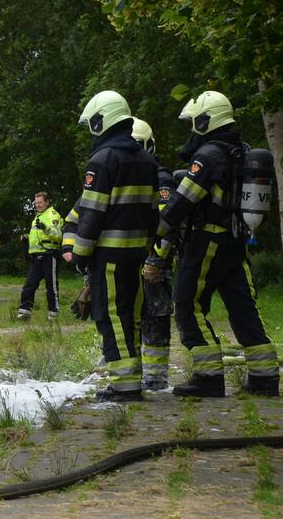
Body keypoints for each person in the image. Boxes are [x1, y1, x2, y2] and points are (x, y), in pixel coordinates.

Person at [146, 91, 279, 397]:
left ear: (206, 121)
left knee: (187, 305)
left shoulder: (208, 155)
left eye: (194, 123)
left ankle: (208, 377)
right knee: (243, 307)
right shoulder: (241, 150)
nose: (192, 129)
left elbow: (183, 200)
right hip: (236, 242)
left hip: (207, 241)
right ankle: (265, 377)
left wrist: (158, 231)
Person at [72, 91, 159, 402]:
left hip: (108, 253)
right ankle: (131, 378)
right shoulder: (147, 160)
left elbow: (92, 213)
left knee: (111, 316)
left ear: (101, 121)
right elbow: (153, 213)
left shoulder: (103, 160)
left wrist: (80, 254)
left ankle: (124, 385)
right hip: (136, 253)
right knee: (131, 314)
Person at [131, 117, 176, 391]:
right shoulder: (124, 177)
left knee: (156, 315)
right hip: (129, 258)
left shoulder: (160, 178)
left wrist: (156, 258)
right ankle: (130, 370)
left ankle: (156, 376)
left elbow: (168, 222)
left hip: (153, 262)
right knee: (129, 315)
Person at [17, 192, 64, 320]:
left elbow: (58, 235)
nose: (37, 205)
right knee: (29, 285)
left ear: (47, 202)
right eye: (36, 203)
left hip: (49, 255)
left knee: (51, 286)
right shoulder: (38, 216)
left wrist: (45, 228)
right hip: (36, 257)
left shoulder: (53, 215)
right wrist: (27, 237)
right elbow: (37, 236)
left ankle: (53, 314)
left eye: (40, 202)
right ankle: (25, 312)